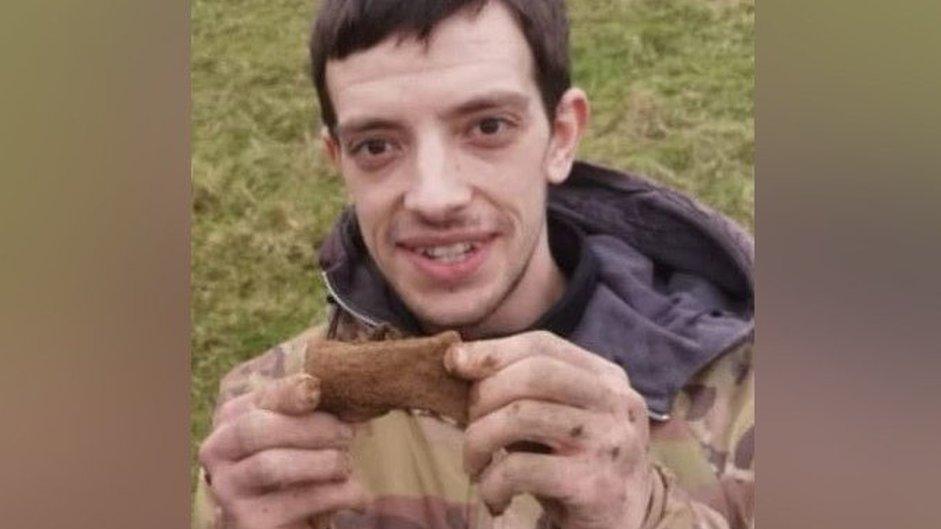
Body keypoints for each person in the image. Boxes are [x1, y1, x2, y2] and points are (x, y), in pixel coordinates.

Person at [195, 1, 754, 528]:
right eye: (376, 146)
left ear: (561, 136)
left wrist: (642, 514)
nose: (435, 197)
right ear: (339, 160)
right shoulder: (266, 419)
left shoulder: (748, 402)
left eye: (488, 127)